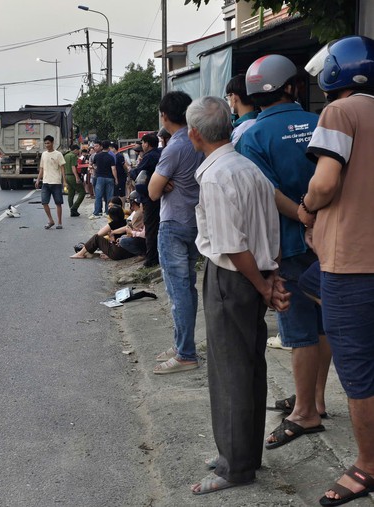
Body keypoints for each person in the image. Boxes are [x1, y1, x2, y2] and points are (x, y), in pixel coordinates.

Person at [186, 95, 288, 495]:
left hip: (234, 278)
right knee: (248, 366)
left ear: (195, 134)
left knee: (230, 371)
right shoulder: (247, 166)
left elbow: (231, 245)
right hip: (255, 271)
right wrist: (270, 277)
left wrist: (264, 285)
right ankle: (242, 452)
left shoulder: (215, 175)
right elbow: (270, 226)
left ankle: (236, 466)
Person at [236, 54, 329, 450]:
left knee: (299, 331)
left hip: (287, 244)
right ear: (292, 86)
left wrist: (302, 217)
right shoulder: (322, 122)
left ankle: (304, 412)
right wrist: (318, 219)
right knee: (325, 321)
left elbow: (266, 193)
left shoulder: (253, 136)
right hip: (331, 240)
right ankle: (318, 400)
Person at [299, 35, 374, 507]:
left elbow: (325, 182)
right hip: (343, 266)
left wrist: (307, 208)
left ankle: (368, 466)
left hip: (351, 265)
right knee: (310, 284)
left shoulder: (340, 113)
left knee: (359, 372)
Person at [148, 91, 205, 374]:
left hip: (174, 224)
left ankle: (186, 353)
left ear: (164, 116)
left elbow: (152, 190)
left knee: (178, 290)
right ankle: (183, 343)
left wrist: (166, 181)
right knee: (188, 287)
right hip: (196, 222)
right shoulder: (200, 142)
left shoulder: (174, 147)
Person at [130, 133, 162, 268]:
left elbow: (137, 173)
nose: (142, 145)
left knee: (151, 227)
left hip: (150, 196)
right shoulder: (160, 153)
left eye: (143, 143)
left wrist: (131, 171)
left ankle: (151, 259)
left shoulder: (149, 157)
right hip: (157, 195)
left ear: (147, 144)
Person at [35, 135, 66, 229]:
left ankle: (59, 222)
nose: (47, 145)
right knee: (44, 202)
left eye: (48, 143)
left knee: (58, 203)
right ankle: (51, 220)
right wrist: (38, 179)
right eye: (45, 143)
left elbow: (62, 168)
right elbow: (41, 168)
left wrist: (64, 181)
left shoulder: (58, 154)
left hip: (56, 182)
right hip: (45, 182)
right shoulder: (44, 154)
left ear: (52, 143)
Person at [225, 74, 259, 146]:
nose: (228, 100)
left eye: (228, 96)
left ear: (234, 97)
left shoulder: (241, 131)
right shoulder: (260, 120)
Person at [91, 140, 116, 219]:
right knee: (109, 196)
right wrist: (116, 179)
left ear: (101, 146)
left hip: (100, 178)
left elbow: (94, 165)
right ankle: (108, 212)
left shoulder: (97, 156)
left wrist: (97, 170)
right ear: (109, 147)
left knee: (98, 196)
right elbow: (113, 169)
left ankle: (97, 212)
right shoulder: (111, 157)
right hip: (109, 178)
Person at [118, 191, 147, 257]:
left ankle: (143, 254)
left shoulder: (139, 213)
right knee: (122, 238)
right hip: (142, 236)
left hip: (146, 239)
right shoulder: (137, 212)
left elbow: (143, 234)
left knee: (123, 241)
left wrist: (131, 232)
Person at [64, 144, 84, 217]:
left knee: (71, 194)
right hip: (72, 176)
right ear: (75, 150)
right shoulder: (73, 156)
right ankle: (74, 208)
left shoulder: (66, 155)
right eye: (78, 150)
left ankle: (72, 211)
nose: (78, 152)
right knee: (82, 192)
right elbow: (73, 167)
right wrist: (77, 177)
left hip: (66, 175)